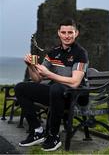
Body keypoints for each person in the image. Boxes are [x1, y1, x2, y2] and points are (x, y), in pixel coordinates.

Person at [14, 18, 89, 151]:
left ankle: (54, 136)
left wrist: (49, 75)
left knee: (55, 87)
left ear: (76, 33)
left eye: (70, 32)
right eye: (64, 32)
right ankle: (37, 131)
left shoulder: (80, 53)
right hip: (56, 93)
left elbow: (75, 82)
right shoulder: (53, 52)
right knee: (21, 88)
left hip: (76, 96)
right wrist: (31, 67)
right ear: (59, 33)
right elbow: (37, 79)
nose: (67, 36)